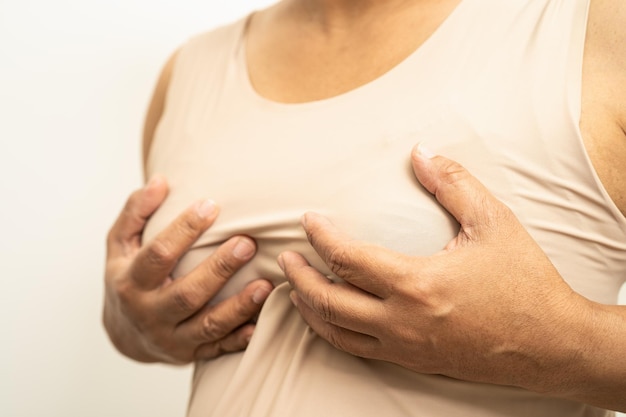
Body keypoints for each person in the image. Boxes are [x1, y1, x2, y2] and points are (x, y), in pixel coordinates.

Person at [103, 0, 626, 415]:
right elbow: (150, 318)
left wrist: (560, 342)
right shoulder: (191, 69)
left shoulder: (597, 28)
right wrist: (133, 328)